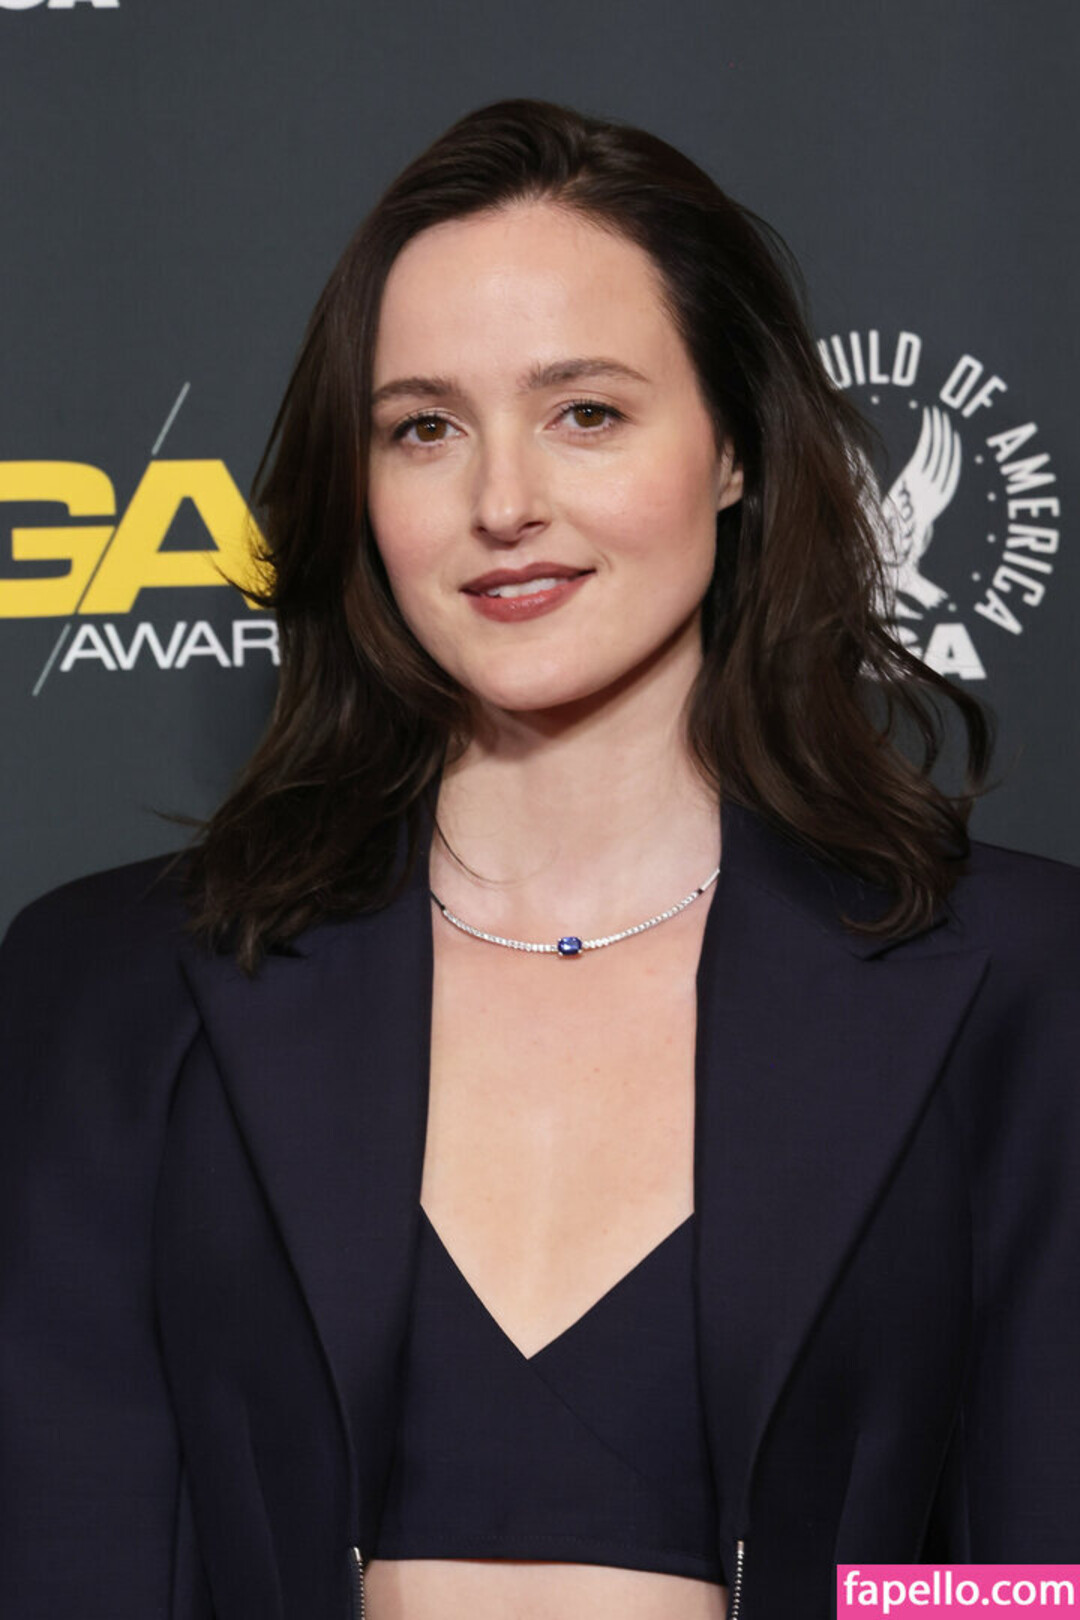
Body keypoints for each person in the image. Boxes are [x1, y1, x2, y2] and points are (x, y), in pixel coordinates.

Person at [2, 97, 1079, 1620]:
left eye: (587, 413)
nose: (503, 503)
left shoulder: (1017, 980)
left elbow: (1038, 1577)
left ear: (732, 449)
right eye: (424, 428)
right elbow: (71, 1553)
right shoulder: (114, 987)